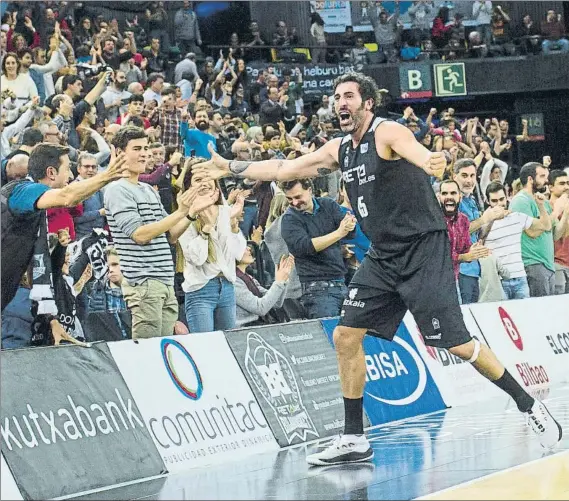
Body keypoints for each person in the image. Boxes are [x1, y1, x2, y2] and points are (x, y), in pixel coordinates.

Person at [195, 72, 562, 466]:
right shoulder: (340, 149)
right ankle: (354, 437)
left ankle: (528, 405)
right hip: (384, 257)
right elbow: (286, 169)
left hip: (423, 251)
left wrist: (431, 160)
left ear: (367, 102)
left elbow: (416, 151)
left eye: (349, 95)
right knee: (345, 335)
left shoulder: (387, 132)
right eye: (336, 97)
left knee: (456, 343)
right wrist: (229, 167)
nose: (341, 103)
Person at [103, 127, 215, 339]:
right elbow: (140, 235)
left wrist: (190, 214)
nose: (144, 153)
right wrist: (181, 211)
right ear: (118, 153)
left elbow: (170, 235)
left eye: (146, 148)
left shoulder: (147, 189)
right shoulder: (117, 190)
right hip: (144, 284)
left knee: (162, 350)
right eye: (137, 148)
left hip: (164, 281)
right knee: (147, 354)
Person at [177, 158, 247, 333]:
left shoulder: (226, 212)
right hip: (201, 290)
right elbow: (196, 258)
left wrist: (233, 225)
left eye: (207, 178)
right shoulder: (185, 217)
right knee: (203, 348)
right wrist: (207, 228)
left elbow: (238, 253)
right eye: (198, 180)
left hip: (227, 288)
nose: (204, 184)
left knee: (227, 345)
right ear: (189, 186)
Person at [483, 181, 552, 300]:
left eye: (501, 199)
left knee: (524, 317)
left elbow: (546, 226)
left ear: (507, 198)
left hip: (520, 277)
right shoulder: (483, 222)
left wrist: (541, 206)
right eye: (494, 201)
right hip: (498, 280)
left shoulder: (517, 217)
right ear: (488, 201)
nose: (499, 204)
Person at [509, 162, 557, 297]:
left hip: (548, 264)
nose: (546, 181)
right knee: (540, 312)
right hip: (533, 263)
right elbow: (531, 232)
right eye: (542, 176)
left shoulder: (543, 201)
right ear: (530, 179)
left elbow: (552, 230)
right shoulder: (520, 201)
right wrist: (556, 211)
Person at [235, 247, 294, 327]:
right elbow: (260, 308)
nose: (249, 248)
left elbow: (276, 303)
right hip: (243, 332)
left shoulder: (249, 278)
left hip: (257, 327)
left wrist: (284, 279)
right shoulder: (233, 282)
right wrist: (279, 282)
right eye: (243, 246)